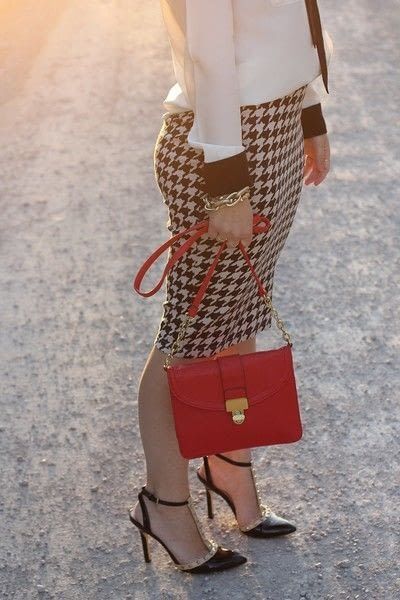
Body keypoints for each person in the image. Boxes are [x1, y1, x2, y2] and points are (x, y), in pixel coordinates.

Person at [129, 0, 333, 573]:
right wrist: (225, 182)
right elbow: (211, 54)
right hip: (226, 143)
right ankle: (164, 505)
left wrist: (309, 114)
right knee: (188, 340)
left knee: (240, 317)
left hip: (274, 129)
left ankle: (228, 468)